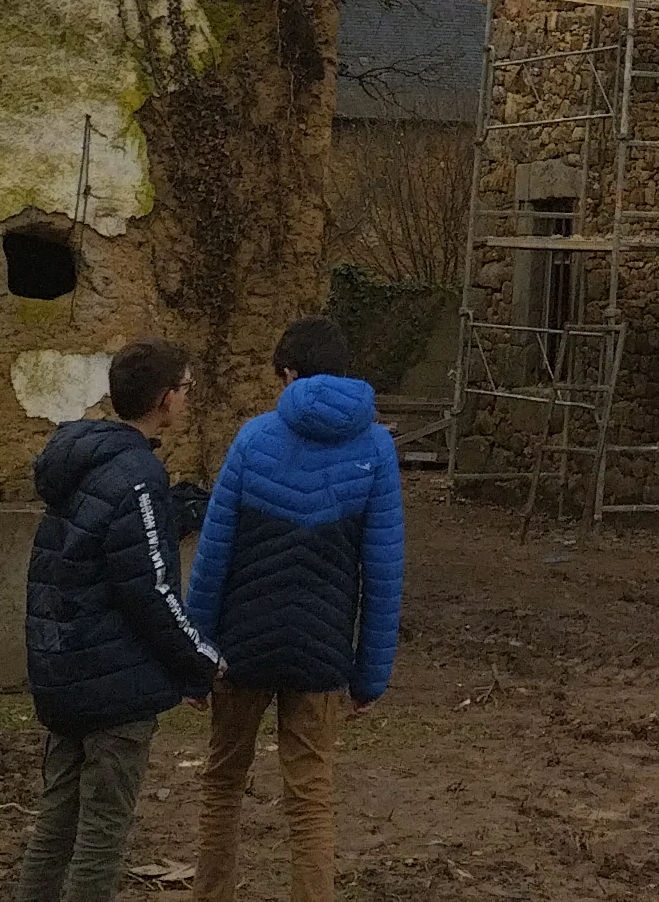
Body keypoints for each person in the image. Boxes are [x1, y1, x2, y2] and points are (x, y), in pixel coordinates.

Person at [186, 314, 406, 902]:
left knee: (223, 783)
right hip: (323, 653)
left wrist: (192, 653)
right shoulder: (378, 449)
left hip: (241, 648)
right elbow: (384, 572)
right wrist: (371, 676)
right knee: (310, 797)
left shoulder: (253, 438)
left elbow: (213, 558)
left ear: (288, 373)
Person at [17, 338, 220, 902]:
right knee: (102, 831)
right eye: (184, 388)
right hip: (115, 686)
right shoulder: (137, 474)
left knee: (56, 822)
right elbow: (151, 591)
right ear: (163, 398)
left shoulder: (82, 459)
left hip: (63, 672)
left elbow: (95, 551)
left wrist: (169, 515)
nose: (187, 398)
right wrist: (202, 660)